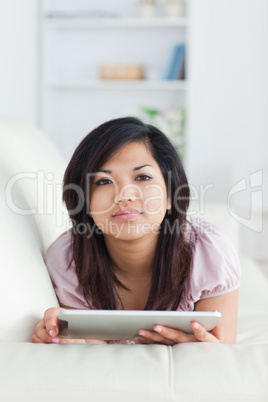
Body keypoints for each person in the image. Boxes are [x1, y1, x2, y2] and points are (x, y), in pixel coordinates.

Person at [32, 116, 240, 345]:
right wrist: (65, 339)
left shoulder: (210, 253)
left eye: (142, 177)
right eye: (103, 181)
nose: (124, 195)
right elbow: (89, 351)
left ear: (171, 195)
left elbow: (223, 352)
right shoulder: (67, 260)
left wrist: (200, 352)